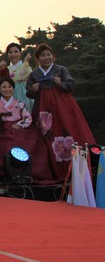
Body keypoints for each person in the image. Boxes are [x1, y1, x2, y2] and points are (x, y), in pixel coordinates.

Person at [26, 44, 95, 181]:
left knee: (67, 132)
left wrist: (61, 83)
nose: (46, 58)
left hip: (63, 107)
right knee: (46, 137)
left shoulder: (61, 69)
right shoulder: (34, 74)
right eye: (43, 55)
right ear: (37, 59)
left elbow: (71, 85)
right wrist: (33, 89)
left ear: (53, 56)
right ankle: (51, 170)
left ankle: (75, 170)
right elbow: (29, 93)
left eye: (48, 54)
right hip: (43, 111)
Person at [0, 78, 52, 183]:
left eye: (10, 87)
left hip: (18, 127)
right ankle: (2, 172)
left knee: (29, 142)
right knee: (4, 145)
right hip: (1, 127)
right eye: (4, 87)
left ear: (13, 89)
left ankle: (28, 172)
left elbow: (27, 118)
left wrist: (19, 125)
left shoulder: (20, 103)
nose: (7, 89)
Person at [5, 43, 33, 111]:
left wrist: (26, 62)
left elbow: (21, 76)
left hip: (24, 94)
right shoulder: (6, 69)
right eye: (10, 52)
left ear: (20, 53)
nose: (13, 54)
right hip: (10, 95)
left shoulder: (27, 67)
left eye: (16, 52)